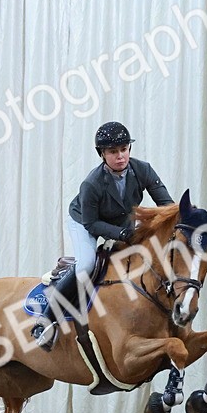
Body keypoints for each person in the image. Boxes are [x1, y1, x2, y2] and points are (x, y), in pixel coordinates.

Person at [32, 121, 174, 350]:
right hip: (85, 221)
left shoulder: (143, 170)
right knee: (86, 265)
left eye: (124, 149)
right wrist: (121, 233)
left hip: (119, 220)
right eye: (113, 151)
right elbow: (91, 223)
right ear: (102, 154)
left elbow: (166, 205)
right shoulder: (92, 183)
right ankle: (47, 319)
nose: (120, 156)